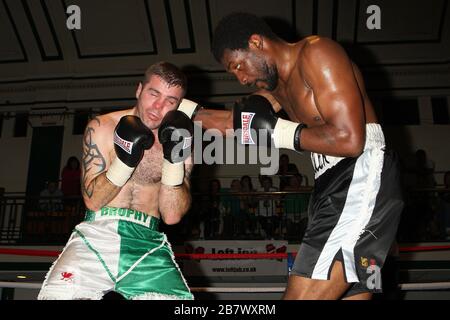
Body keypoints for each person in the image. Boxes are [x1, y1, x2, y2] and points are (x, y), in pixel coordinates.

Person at [188, 12, 404, 300]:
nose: (241, 78)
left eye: (239, 65)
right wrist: (182, 112)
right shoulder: (278, 89)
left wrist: (279, 131)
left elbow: (350, 140)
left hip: (360, 175)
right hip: (331, 185)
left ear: (256, 42)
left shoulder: (317, 53)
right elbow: (237, 122)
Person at [38, 62, 196, 300]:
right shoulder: (102, 127)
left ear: (178, 105)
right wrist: (124, 162)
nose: (158, 107)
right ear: (139, 90)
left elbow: (172, 216)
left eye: (170, 101)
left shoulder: (179, 140)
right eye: (154, 94)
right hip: (97, 233)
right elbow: (92, 201)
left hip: (148, 242)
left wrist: (173, 160)